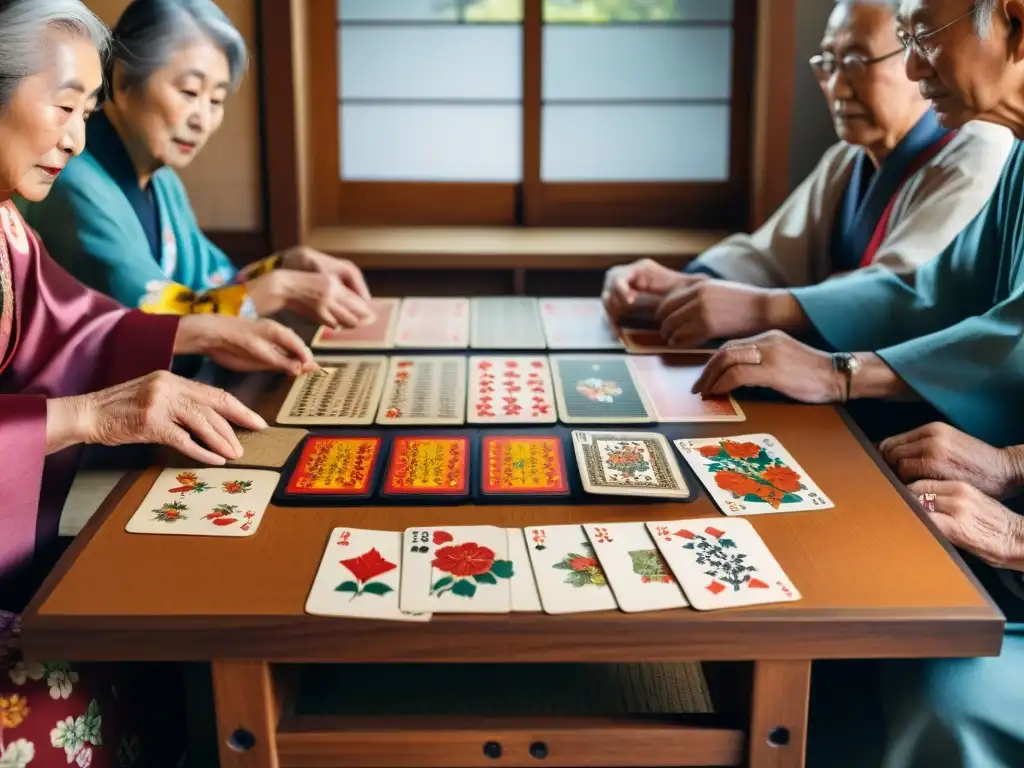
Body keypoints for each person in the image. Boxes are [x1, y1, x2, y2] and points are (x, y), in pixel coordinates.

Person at [685, 0, 1024, 764]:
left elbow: (1008, 332)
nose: (913, 66)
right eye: (901, 44)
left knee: (949, 687)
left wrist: (1011, 488)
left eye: (925, 38)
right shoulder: (1019, 158)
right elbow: (944, 292)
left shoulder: (978, 153)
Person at [0, 2, 313, 765]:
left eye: (218, 98)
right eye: (64, 105)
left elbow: (85, 323)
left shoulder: (17, 220)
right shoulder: (74, 186)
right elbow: (141, 297)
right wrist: (85, 415)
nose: (74, 134)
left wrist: (213, 319)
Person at [600, 0, 1013, 348]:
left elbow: (908, 294)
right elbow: (770, 255)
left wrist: (759, 308)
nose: (837, 86)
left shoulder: (981, 152)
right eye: (828, 64)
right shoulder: (847, 160)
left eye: (854, 62)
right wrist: (680, 284)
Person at [17, 0, 377, 329]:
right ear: (124, 81)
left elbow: (211, 286)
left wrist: (284, 266)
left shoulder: (162, 182)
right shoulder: (70, 180)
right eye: (190, 92)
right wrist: (277, 289)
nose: (202, 119)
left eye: (216, 100)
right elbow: (151, 318)